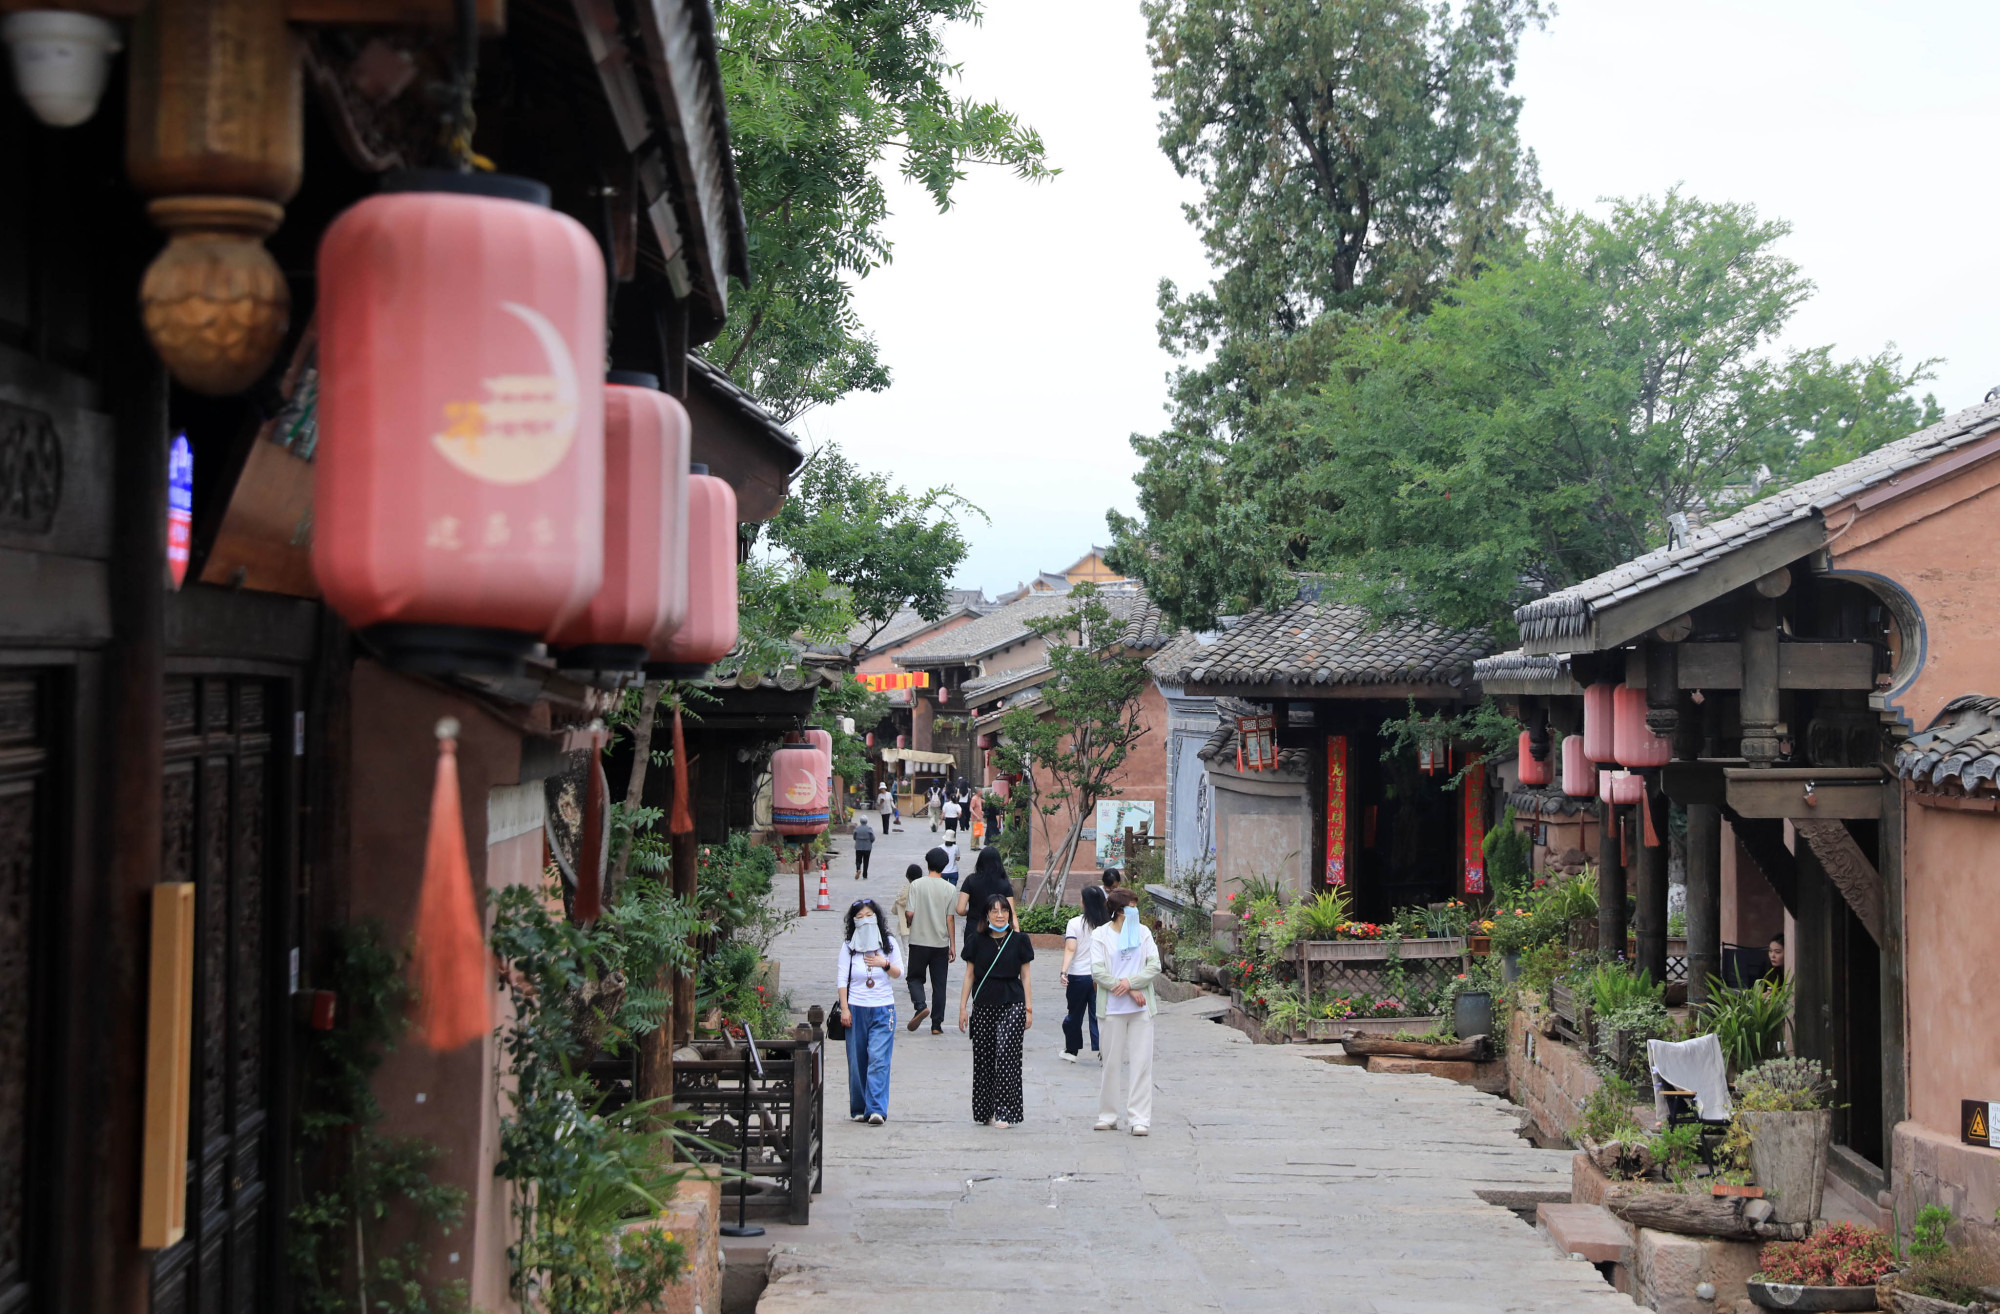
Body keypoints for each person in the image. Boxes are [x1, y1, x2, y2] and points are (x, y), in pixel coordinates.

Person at [958, 892, 1034, 1127]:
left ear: (1010, 915)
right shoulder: (976, 940)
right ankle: (984, 1112)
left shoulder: (1020, 941)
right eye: (995, 911)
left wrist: (1029, 1009)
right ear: (987, 914)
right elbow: (969, 975)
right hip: (983, 1004)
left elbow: (1026, 976)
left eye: (1004, 911)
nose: (1000, 915)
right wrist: (962, 1007)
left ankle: (1005, 1112)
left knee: (1007, 1057)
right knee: (984, 1059)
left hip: (1012, 1003)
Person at [1090, 887, 1160, 1136]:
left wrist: (1131, 983)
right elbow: (1097, 971)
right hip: (1112, 1008)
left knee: (1141, 1063)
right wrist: (1128, 988)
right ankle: (1108, 1115)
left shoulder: (1143, 933)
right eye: (1132, 906)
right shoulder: (1100, 935)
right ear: (1120, 911)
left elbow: (1154, 966)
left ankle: (1139, 1118)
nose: (1136, 910)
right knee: (1110, 1063)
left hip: (1141, 1009)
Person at [836, 898, 904, 1124]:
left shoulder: (889, 943)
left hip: (883, 1008)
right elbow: (841, 979)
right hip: (856, 1008)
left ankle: (876, 1109)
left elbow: (899, 973)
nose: (865, 920)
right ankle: (859, 1107)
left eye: (869, 915)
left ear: (877, 917)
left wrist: (883, 963)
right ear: (853, 921)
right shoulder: (848, 947)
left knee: (878, 1058)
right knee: (857, 1061)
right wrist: (844, 1008)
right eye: (859, 917)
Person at [904, 852, 959, 1033]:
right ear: (944, 866)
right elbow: (950, 918)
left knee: (914, 978)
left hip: (919, 941)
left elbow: (910, 913)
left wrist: (909, 922)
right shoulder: (950, 889)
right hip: (940, 943)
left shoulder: (916, 885)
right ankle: (936, 1025)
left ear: (927, 863)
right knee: (939, 984)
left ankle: (920, 1006)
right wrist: (952, 944)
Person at [1061, 885, 1109, 1062]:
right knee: (1099, 1014)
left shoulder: (1074, 923)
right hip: (1101, 976)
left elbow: (1070, 948)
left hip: (1078, 976)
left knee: (1074, 1014)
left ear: (1085, 903)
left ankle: (1072, 1050)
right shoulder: (1107, 925)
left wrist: (1064, 971)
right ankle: (1102, 1050)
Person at [956, 846, 1017, 951]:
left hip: (974, 929)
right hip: (998, 931)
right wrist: (1016, 934)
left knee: (974, 964)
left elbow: (960, 909)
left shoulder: (970, 880)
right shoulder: (1004, 884)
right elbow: (1012, 912)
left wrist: (970, 911)